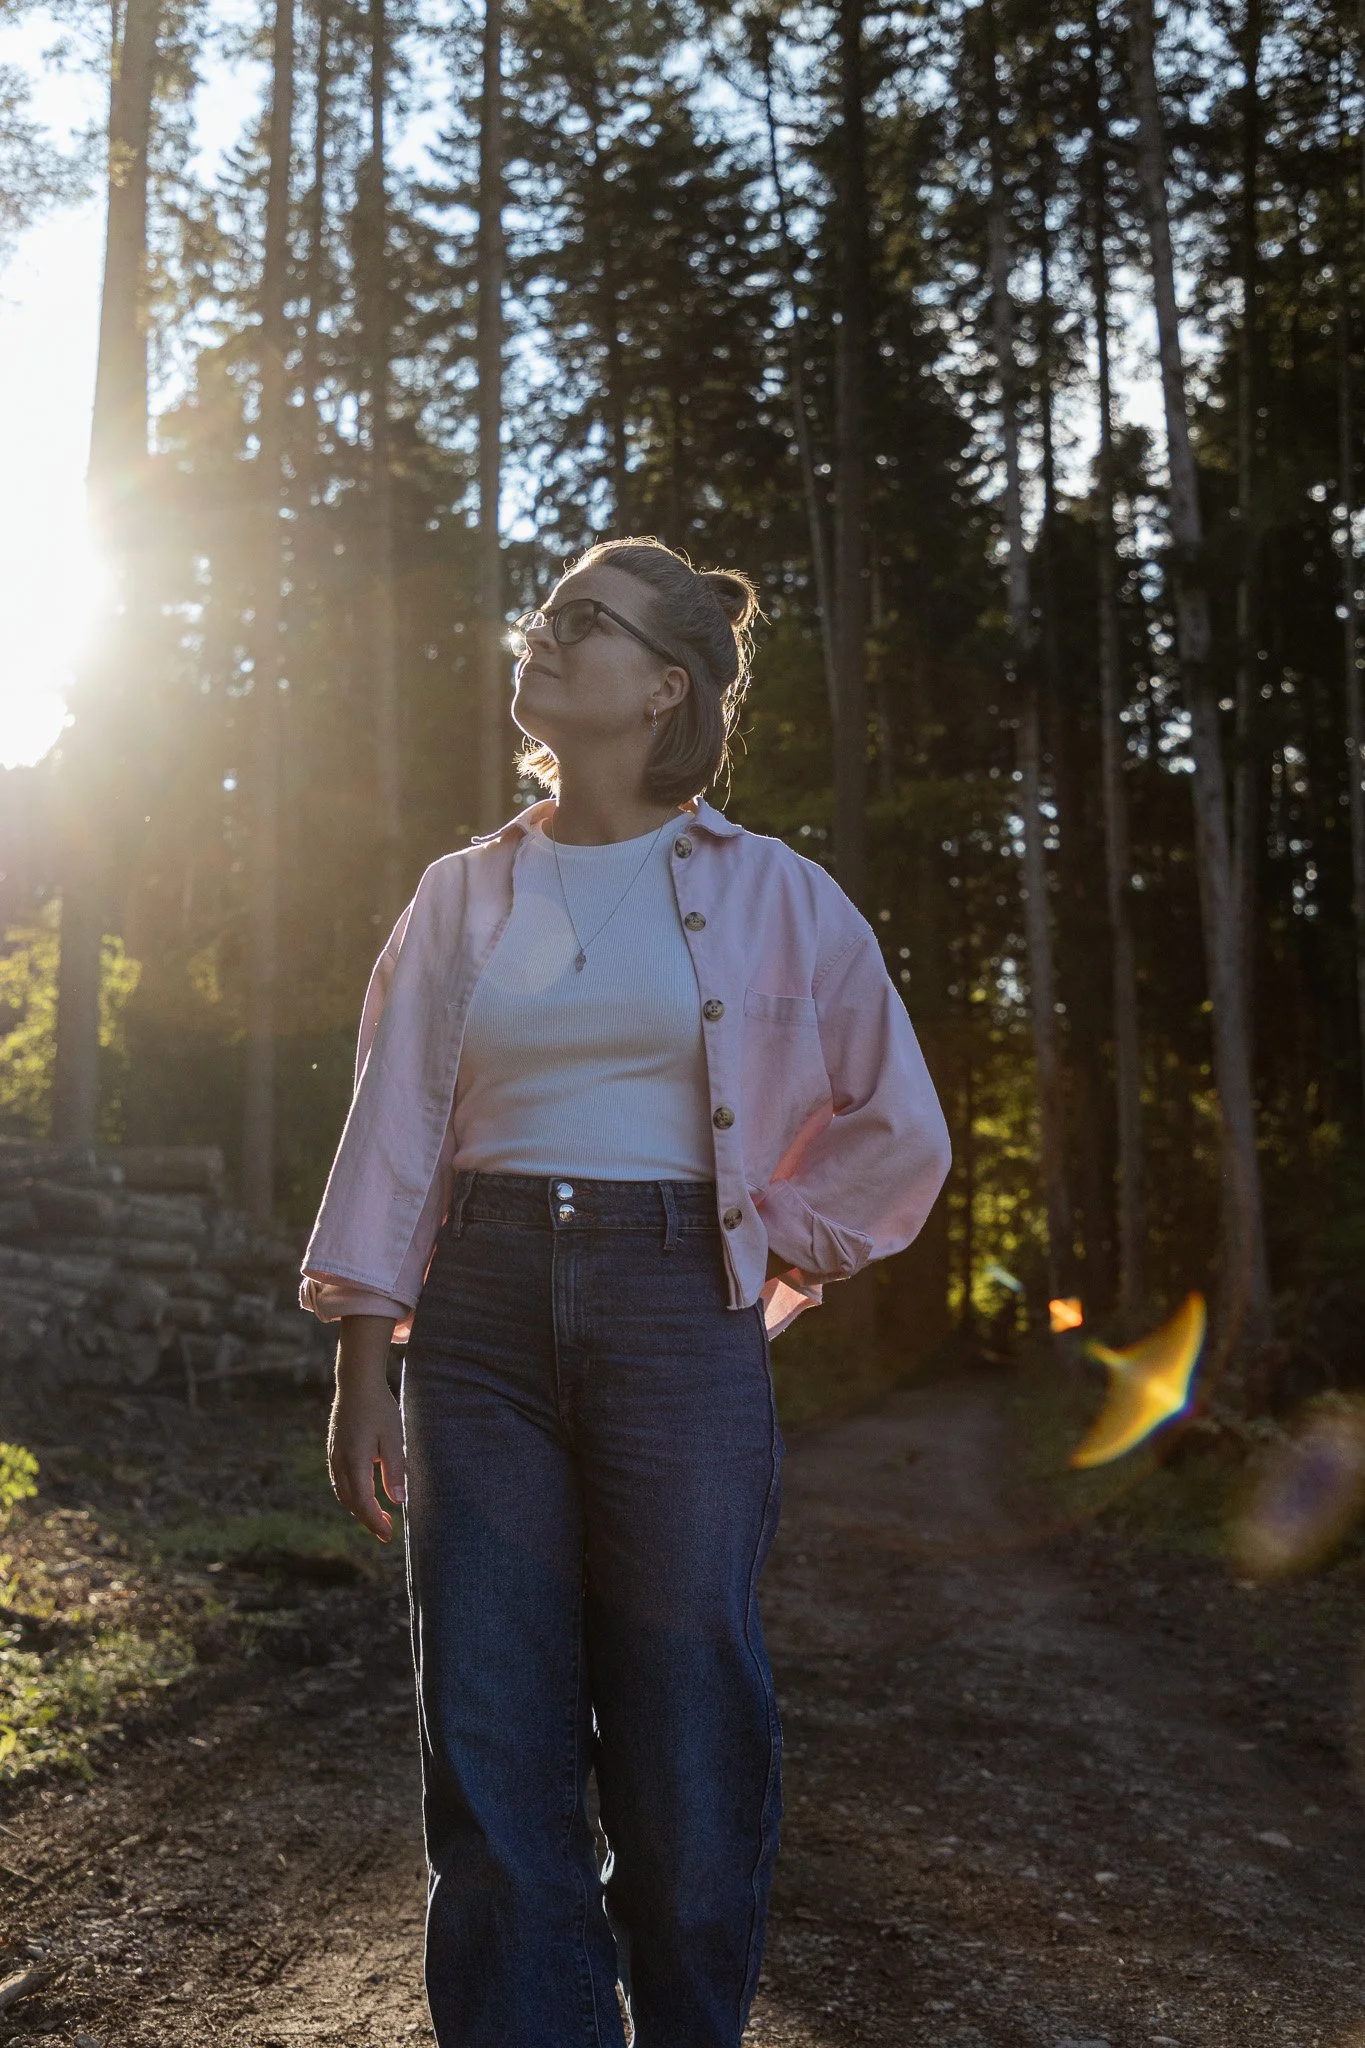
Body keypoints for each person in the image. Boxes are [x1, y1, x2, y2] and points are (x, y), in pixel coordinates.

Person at [300, 534, 951, 2048]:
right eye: (545, 607)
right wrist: (361, 1363)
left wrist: (762, 1238)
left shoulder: (784, 895)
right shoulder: (460, 895)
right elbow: (391, 1128)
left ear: (665, 689)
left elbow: (900, 1128)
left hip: (680, 1311)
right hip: (476, 1323)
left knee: (683, 1715)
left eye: (584, 618)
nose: (543, 630)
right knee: (489, 1719)